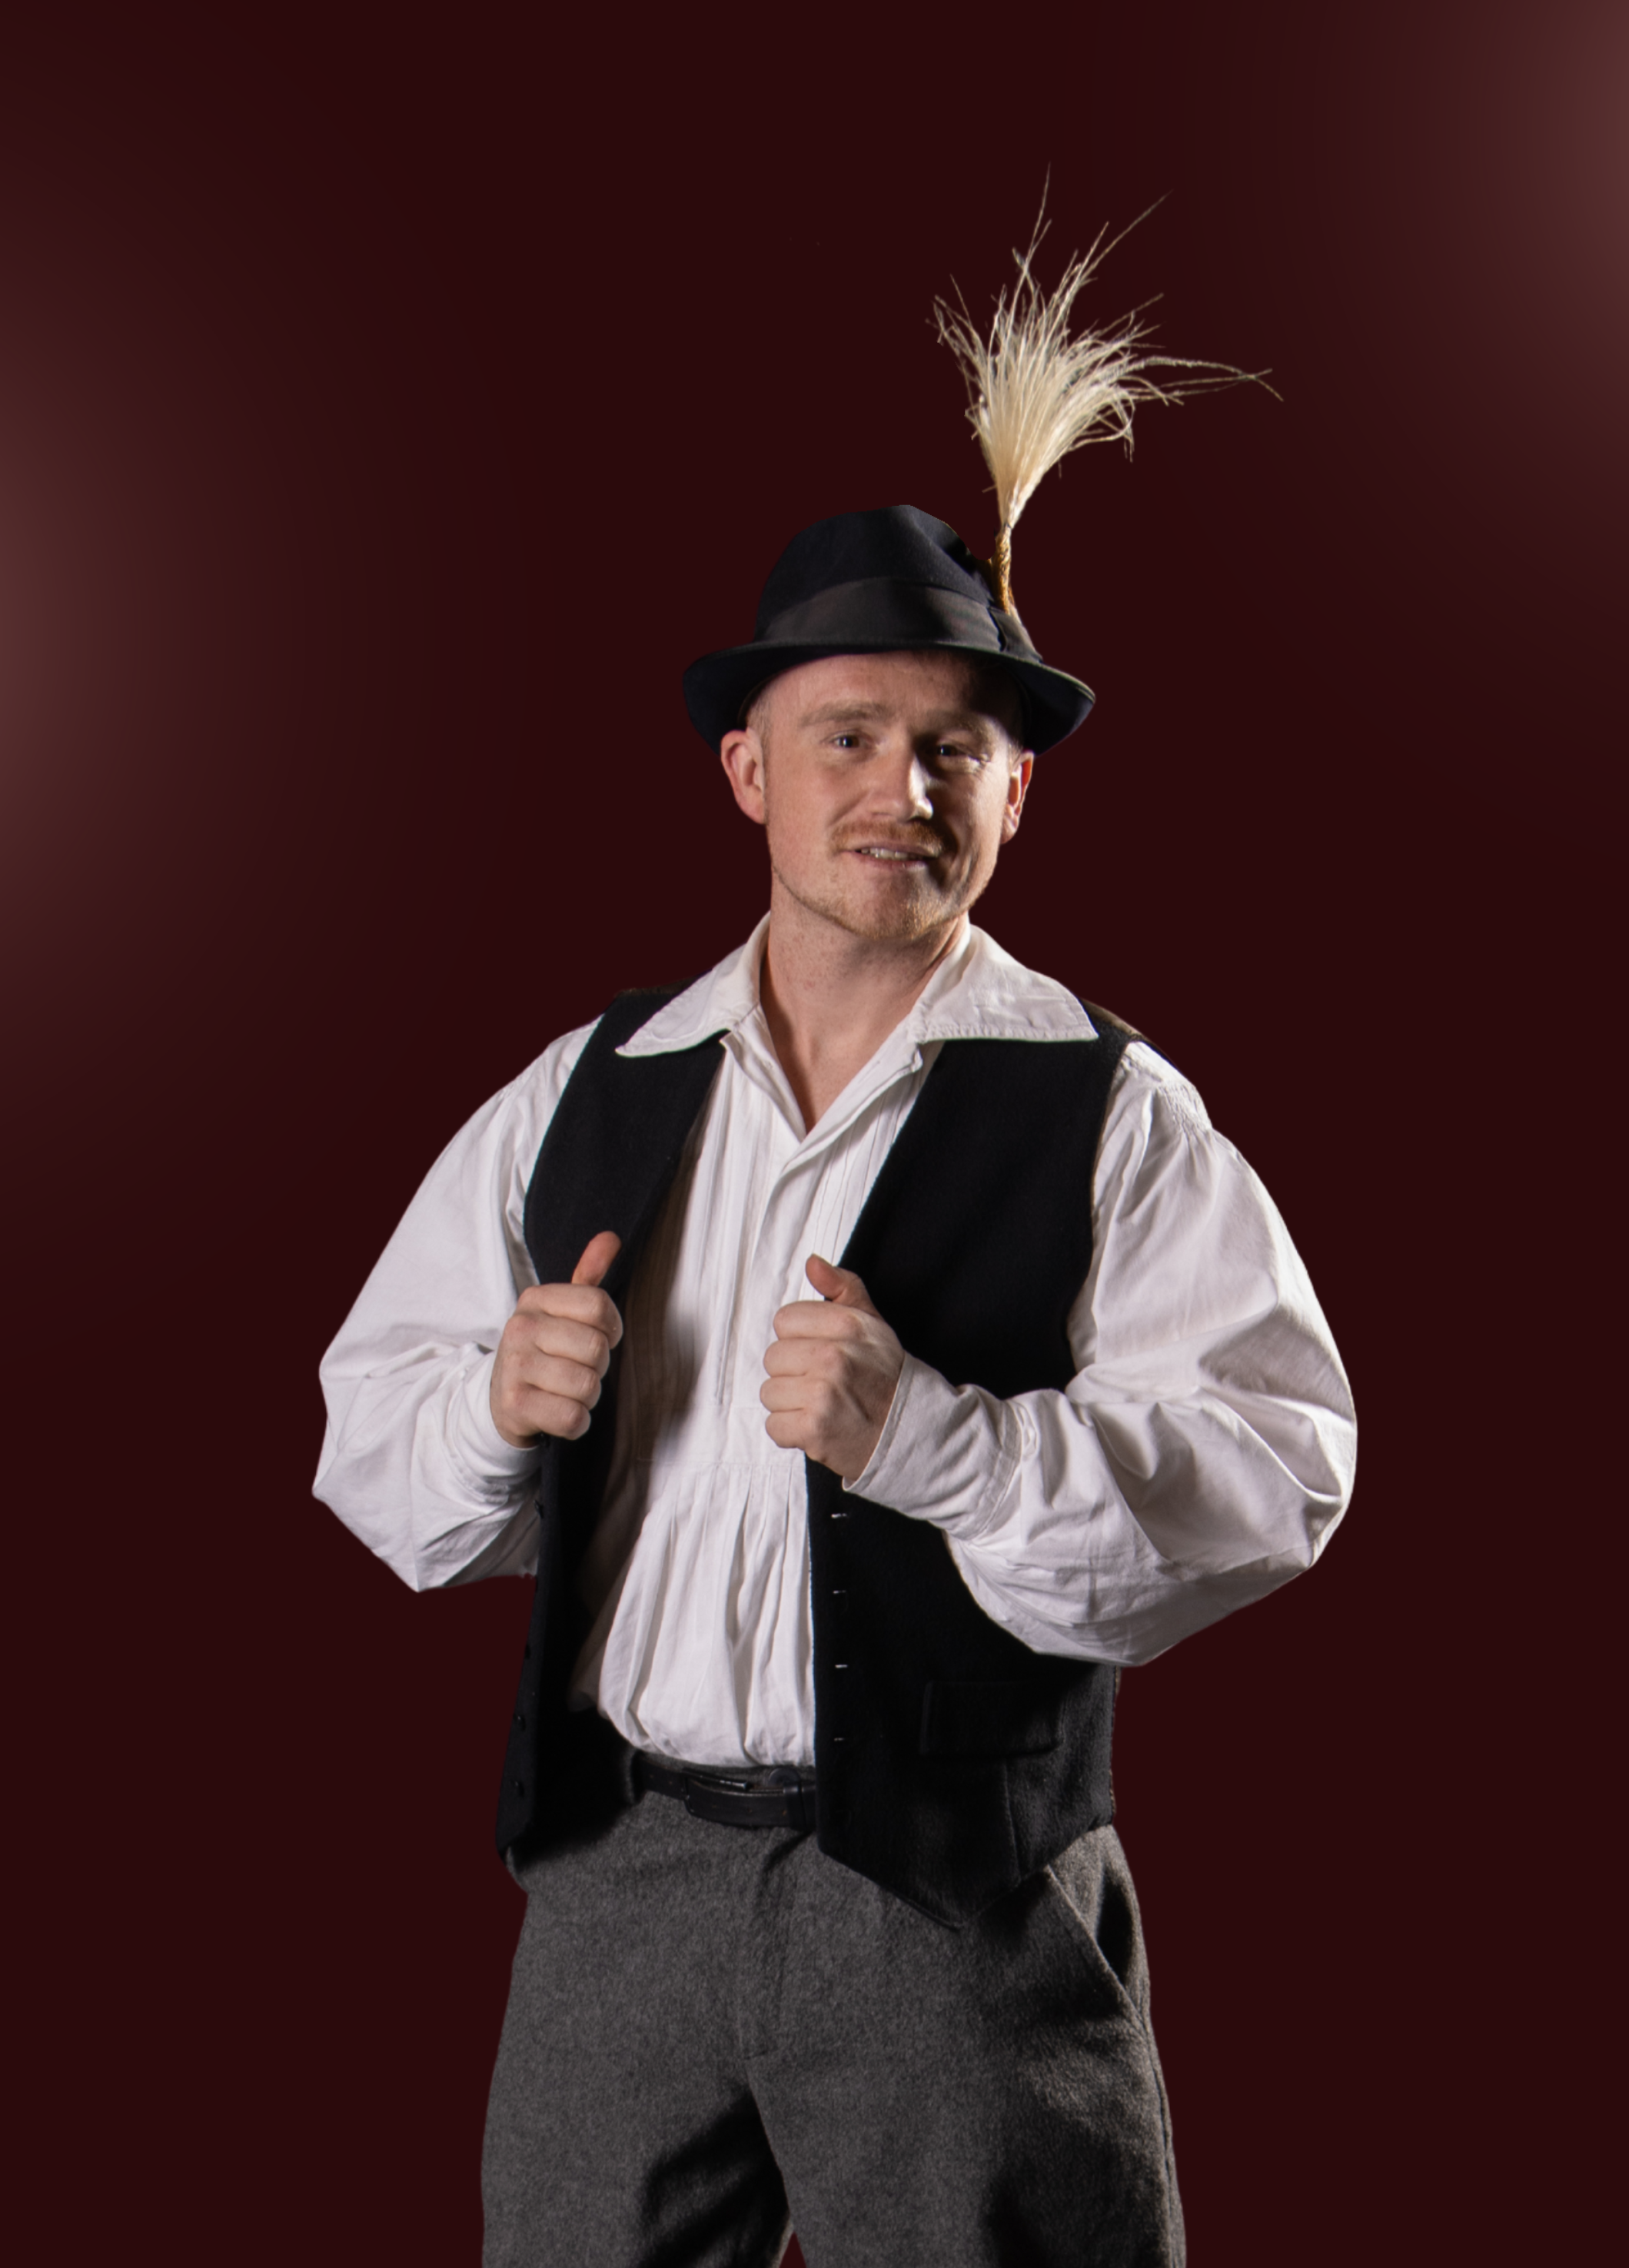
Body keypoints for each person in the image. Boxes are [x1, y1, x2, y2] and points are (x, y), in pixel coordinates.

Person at [316, 505, 1356, 2267]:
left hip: (959, 1901)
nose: (905, 790)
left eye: (955, 747)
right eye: (849, 736)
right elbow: (369, 1439)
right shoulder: (589, 1086)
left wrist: (939, 1443)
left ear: (1017, 790)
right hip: (624, 1873)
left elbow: (1277, 1470)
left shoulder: (1114, 1110)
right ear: (749, 771)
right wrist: (495, 1405)